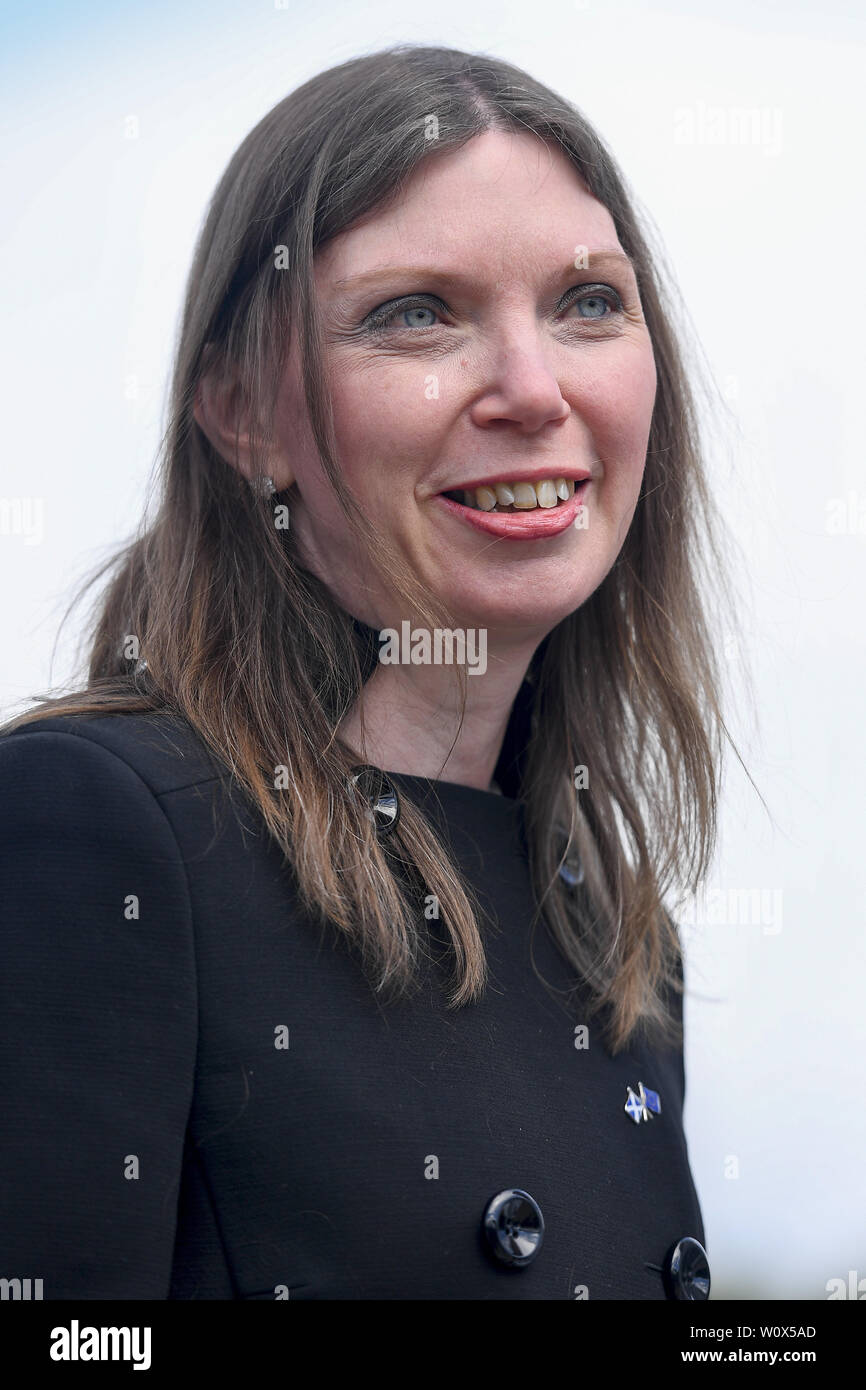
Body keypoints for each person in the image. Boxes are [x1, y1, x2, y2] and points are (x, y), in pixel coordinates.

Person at [0, 43, 737, 1299]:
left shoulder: (611, 932)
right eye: (415, 314)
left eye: (586, 302)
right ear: (242, 410)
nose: (531, 388)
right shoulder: (94, 830)